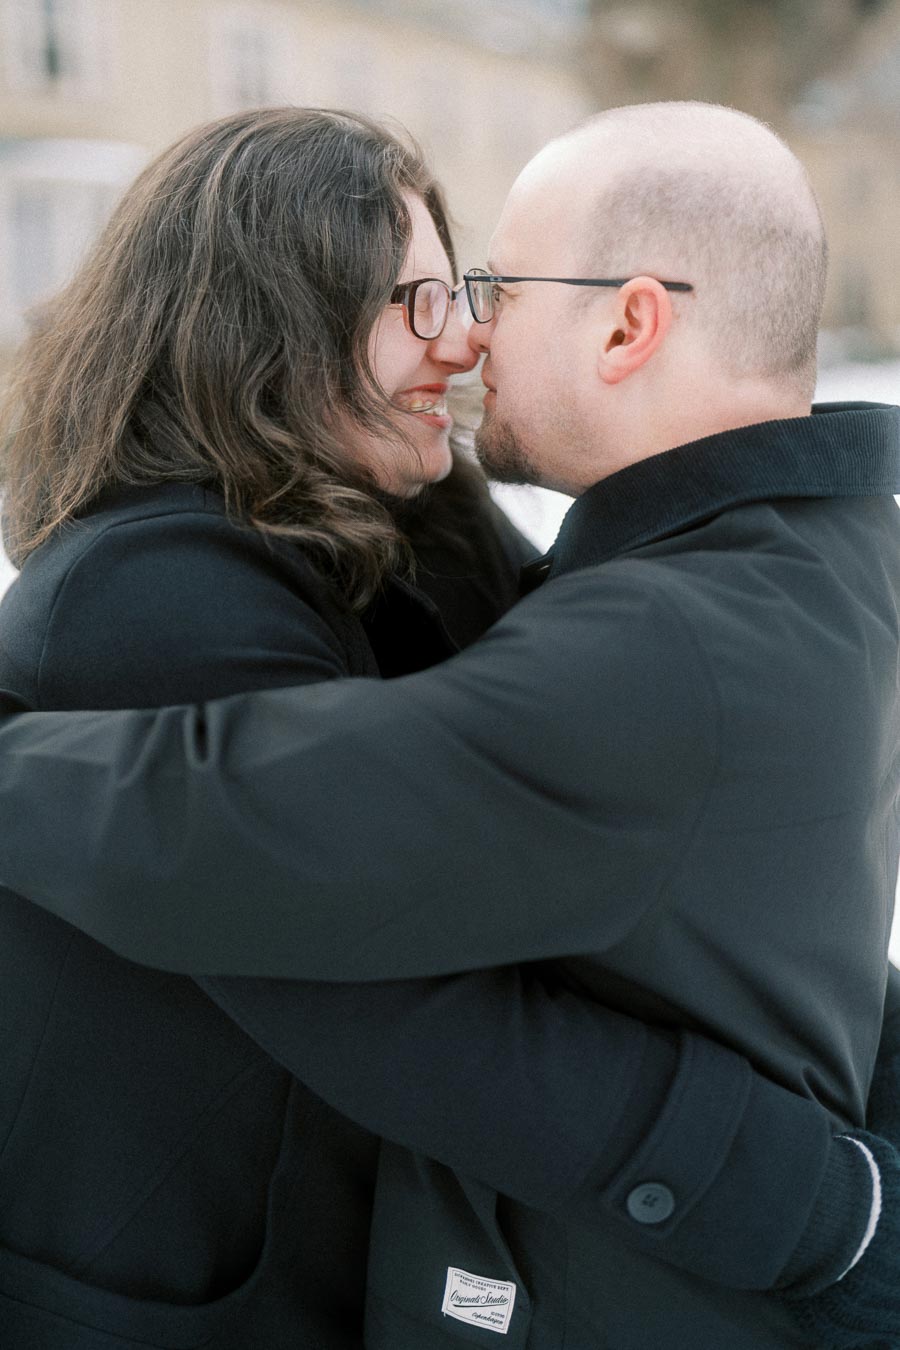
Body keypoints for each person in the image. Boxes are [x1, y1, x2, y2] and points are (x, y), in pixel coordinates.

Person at [0, 100, 898, 1349]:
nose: (466, 337)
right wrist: (793, 1191)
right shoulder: (154, 593)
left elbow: (657, 818)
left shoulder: (421, 533)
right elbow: (360, 970)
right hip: (187, 1282)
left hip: (353, 1246)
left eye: (479, 291)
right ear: (275, 323)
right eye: (418, 300)